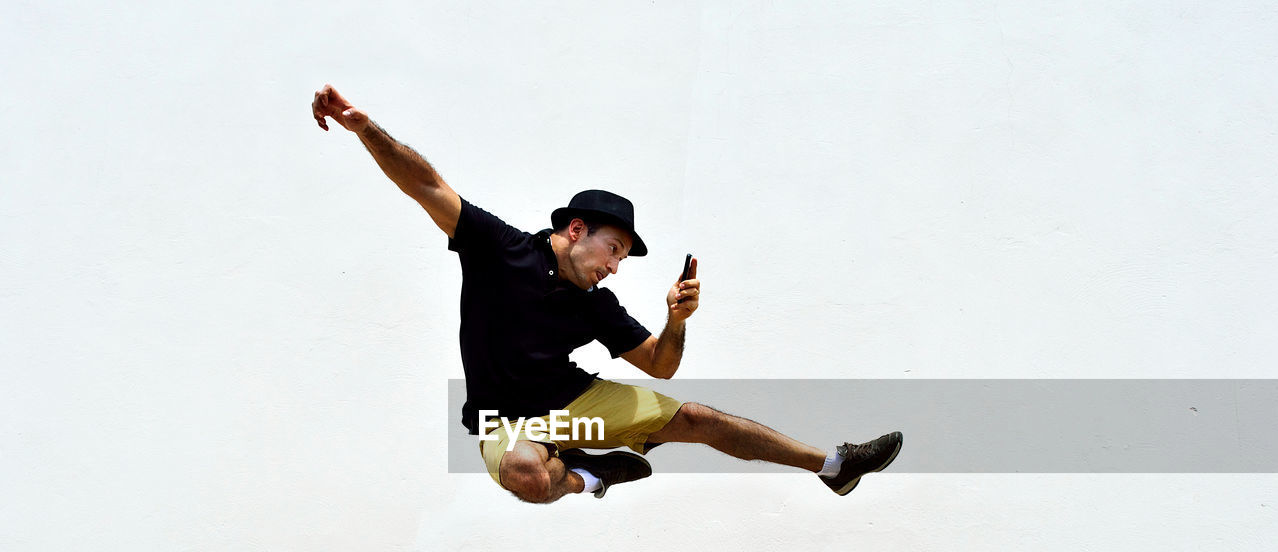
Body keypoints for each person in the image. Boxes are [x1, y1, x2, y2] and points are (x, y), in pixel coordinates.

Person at [312, 84, 902, 503]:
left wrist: (676, 319)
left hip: (578, 408)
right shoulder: (499, 247)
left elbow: (661, 367)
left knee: (697, 418)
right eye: (614, 250)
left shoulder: (596, 303)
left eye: (622, 257)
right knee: (529, 476)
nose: (616, 267)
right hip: (505, 421)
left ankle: (833, 465)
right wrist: (363, 126)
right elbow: (426, 184)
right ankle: (590, 477)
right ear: (576, 231)